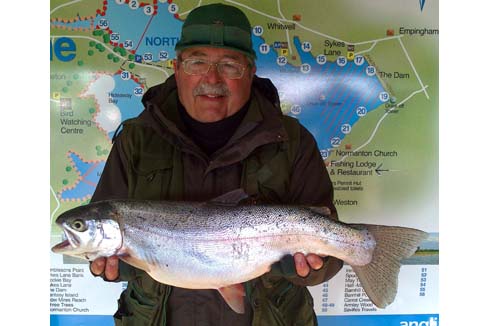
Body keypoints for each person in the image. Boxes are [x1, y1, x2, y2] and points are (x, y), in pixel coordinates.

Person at [90, 3, 343, 325]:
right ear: (177, 67)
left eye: (229, 65)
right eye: (197, 62)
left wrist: (309, 269)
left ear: (250, 72)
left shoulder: (291, 141)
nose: (212, 78)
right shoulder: (137, 140)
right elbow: (101, 229)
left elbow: (332, 255)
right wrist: (114, 264)